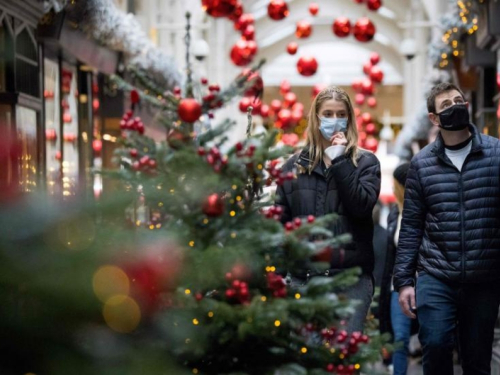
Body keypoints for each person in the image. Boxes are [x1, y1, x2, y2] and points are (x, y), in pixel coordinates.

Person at [393, 82, 500, 375]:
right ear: (434, 119)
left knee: (477, 359)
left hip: (484, 275)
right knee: (437, 344)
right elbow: (412, 225)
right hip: (436, 274)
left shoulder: (495, 154)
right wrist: (403, 281)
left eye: (459, 100)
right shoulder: (422, 164)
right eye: (446, 105)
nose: (455, 106)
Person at [275, 86, 381, 332]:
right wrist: (278, 275)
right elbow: (279, 225)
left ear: (350, 119)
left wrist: (340, 160)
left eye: (341, 114)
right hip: (305, 281)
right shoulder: (293, 167)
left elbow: (361, 207)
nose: (334, 120)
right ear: (316, 117)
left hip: (350, 282)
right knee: (308, 362)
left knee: (342, 362)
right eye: (328, 114)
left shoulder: (365, 162)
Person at [379, 162, 418, 375]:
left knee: (434, 340)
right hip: (399, 286)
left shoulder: (426, 212)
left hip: (427, 283)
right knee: (400, 339)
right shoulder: (395, 213)